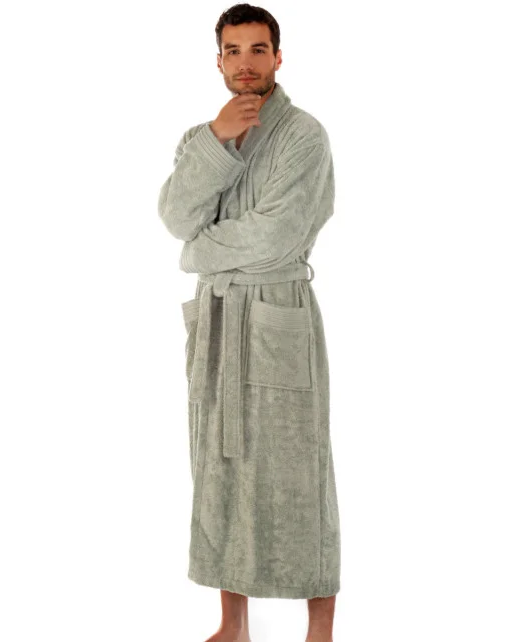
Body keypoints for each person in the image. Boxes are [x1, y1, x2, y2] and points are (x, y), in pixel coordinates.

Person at [158, 4, 341, 641]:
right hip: (219, 319)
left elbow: (276, 235)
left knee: (298, 469)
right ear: (218, 61)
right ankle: (232, 623)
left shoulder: (304, 136)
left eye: (257, 49)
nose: (245, 63)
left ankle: (320, 630)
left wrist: (196, 254)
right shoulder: (199, 138)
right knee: (219, 469)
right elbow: (177, 217)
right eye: (233, 51)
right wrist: (219, 141)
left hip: (277, 313)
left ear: (278, 57)